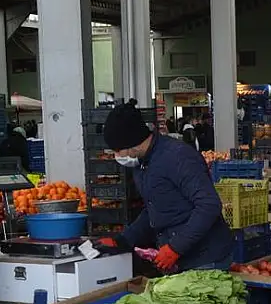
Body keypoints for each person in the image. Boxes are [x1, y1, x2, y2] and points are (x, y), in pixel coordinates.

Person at [95, 100, 232, 273]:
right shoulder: (141, 164)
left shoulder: (178, 157)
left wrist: (176, 247)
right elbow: (155, 208)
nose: (116, 156)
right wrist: (124, 240)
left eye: (117, 150)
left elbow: (209, 205)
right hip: (179, 259)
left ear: (132, 143)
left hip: (205, 259)